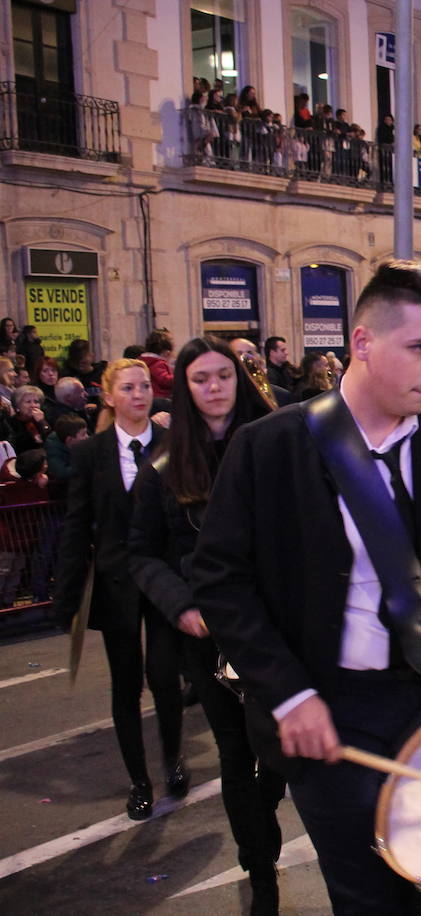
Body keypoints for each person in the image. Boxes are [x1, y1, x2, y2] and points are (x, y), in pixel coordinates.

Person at [191, 261, 421, 913]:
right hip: (330, 711)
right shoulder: (270, 447)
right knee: (371, 899)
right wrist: (287, 696)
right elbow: (219, 580)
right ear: (363, 344)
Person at [127, 337, 283, 913]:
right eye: (201, 379)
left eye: (224, 375)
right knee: (235, 753)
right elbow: (140, 552)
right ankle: (260, 872)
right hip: (207, 635)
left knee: (285, 750)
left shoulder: (271, 442)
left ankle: (263, 814)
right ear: (186, 390)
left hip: (273, 627)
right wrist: (181, 607)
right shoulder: (164, 465)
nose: (215, 387)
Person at [54, 359, 181, 821]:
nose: (139, 394)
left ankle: (172, 759)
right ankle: (140, 782)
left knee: (166, 677)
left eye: (145, 386)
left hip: (165, 582)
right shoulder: (91, 455)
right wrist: (66, 599)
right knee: (126, 685)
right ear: (109, 397)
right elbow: (76, 527)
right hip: (115, 584)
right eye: (127, 388)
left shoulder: (174, 444)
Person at [140, 329, 176, 399]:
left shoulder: (146, 361)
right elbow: (165, 380)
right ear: (166, 352)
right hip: (161, 398)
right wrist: (178, 377)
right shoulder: (157, 363)